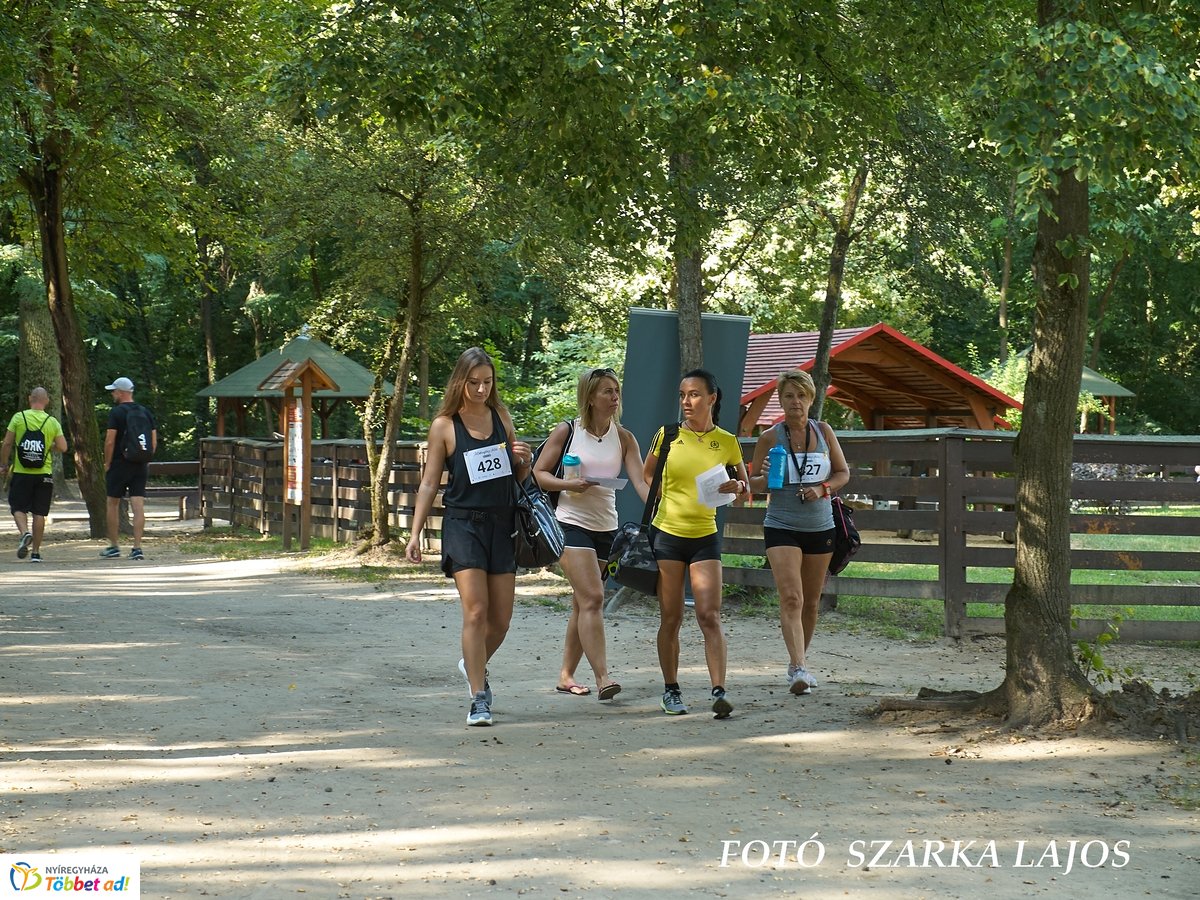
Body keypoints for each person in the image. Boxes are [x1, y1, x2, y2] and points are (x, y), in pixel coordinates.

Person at [405, 348, 533, 727]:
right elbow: (429, 483)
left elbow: (518, 477)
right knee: (476, 611)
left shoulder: (501, 417)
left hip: (502, 523)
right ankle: (479, 697)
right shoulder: (444, 425)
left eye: (487, 382)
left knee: (502, 620)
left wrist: (522, 460)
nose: (480, 389)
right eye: (474, 382)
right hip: (463, 524)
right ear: (460, 381)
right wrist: (414, 534)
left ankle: (472, 661)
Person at [534, 367, 650, 701]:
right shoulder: (567, 431)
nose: (615, 398)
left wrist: (658, 507)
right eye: (607, 392)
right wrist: (571, 484)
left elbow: (641, 481)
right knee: (594, 598)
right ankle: (603, 678)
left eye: (617, 391)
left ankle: (566, 675)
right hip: (569, 522)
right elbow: (540, 475)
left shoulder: (624, 437)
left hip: (606, 527)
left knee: (582, 602)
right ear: (590, 396)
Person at [643, 369, 749, 718]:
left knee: (709, 615)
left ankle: (719, 690)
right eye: (682, 395)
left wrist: (737, 489)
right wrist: (669, 497)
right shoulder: (668, 435)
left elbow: (743, 487)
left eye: (694, 395)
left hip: (705, 536)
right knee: (671, 617)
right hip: (668, 534)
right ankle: (671, 690)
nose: (686, 402)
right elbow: (648, 473)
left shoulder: (727, 441)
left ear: (712, 398)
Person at [748, 369, 850, 695]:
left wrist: (822, 489)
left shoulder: (824, 431)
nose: (796, 402)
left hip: (820, 525)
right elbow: (752, 484)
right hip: (781, 524)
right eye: (789, 396)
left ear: (811, 399)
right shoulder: (769, 437)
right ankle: (800, 669)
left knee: (810, 602)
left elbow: (842, 473)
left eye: (801, 396)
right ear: (781, 400)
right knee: (791, 597)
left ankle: (797, 662)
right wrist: (762, 477)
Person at [1, 387, 68, 562]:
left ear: (30, 399)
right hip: (43, 473)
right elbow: (63, 447)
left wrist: (3, 464)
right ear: (47, 401)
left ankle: (25, 533)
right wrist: (49, 446)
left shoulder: (19, 418)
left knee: (17, 507)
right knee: (40, 513)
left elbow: (7, 443)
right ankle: (36, 553)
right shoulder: (52, 422)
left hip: (22, 472)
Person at [100, 377, 157, 561]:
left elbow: (110, 441)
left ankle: (114, 546)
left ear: (121, 392)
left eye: (114, 391)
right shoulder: (145, 412)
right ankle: (137, 548)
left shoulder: (116, 413)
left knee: (112, 503)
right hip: (140, 464)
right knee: (138, 505)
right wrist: (144, 458)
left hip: (119, 463)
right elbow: (153, 441)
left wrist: (107, 463)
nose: (112, 394)